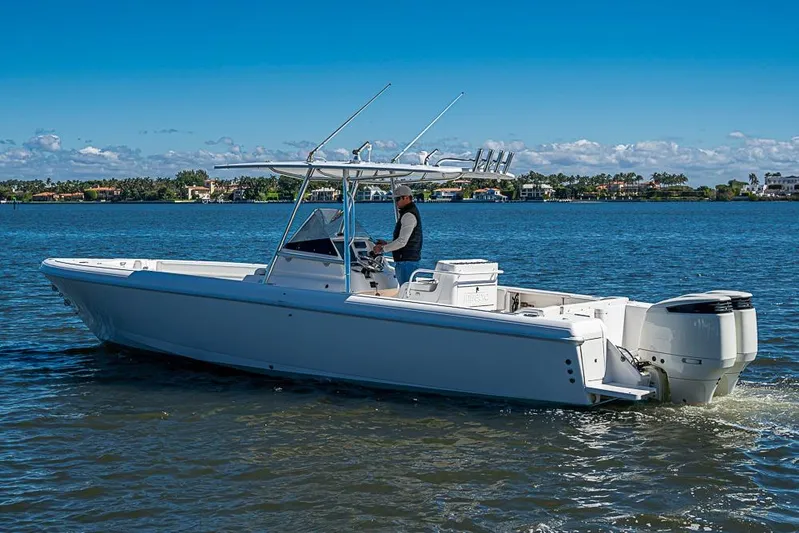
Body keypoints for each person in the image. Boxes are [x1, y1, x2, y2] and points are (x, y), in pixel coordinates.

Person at [372, 184, 422, 287]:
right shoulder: (408, 213)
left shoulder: (408, 215)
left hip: (406, 262)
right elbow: (404, 240)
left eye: (397, 199)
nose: (396, 203)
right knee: (407, 290)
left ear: (407, 198)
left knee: (406, 291)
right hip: (407, 260)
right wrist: (387, 243)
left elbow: (402, 242)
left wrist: (382, 249)